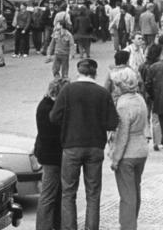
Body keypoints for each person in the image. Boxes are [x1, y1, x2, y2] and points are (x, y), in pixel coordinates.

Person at [49, 58, 119, 230]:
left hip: (72, 145)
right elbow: (112, 122)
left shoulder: (68, 90)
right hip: (95, 146)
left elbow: (54, 117)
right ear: (95, 72)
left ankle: (70, 230)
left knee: (68, 192)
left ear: (78, 71)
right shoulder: (102, 93)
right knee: (93, 193)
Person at [109, 67, 150, 230]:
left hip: (128, 153)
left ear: (120, 85)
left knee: (127, 194)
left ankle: (127, 227)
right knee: (135, 189)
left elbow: (122, 135)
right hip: (141, 149)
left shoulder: (122, 104)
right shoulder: (139, 98)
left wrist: (115, 158)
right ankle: (132, 223)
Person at [34, 77, 69, 230]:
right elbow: (52, 135)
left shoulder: (48, 104)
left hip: (52, 155)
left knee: (56, 192)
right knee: (48, 194)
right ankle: (44, 228)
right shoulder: (48, 108)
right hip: (52, 157)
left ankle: (56, 224)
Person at [138, 44, 163, 152]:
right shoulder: (158, 66)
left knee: (145, 118)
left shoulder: (142, 66)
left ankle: (145, 139)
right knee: (156, 119)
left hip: (144, 94)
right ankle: (157, 142)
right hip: (156, 94)